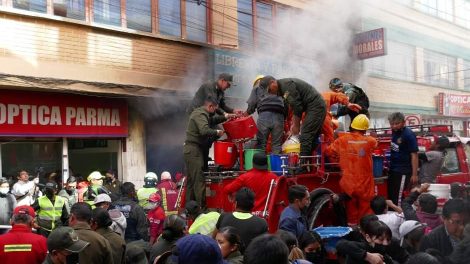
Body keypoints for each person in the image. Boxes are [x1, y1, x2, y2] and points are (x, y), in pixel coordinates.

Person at [260, 76, 326, 167]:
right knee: (312, 138)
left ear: (273, 82)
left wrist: (296, 125)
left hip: (315, 106)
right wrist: (289, 124)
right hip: (311, 107)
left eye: (269, 90)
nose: (270, 93)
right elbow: (290, 107)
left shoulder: (286, 86)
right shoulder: (281, 90)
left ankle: (302, 167)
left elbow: (297, 107)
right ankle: (308, 164)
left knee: (306, 135)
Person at [326, 114, 377, 225]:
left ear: (352, 126)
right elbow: (374, 145)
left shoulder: (341, 140)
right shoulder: (370, 141)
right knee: (366, 210)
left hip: (348, 183)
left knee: (351, 211)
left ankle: (352, 230)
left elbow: (329, 151)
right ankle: (366, 231)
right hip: (365, 183)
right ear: (365, 129)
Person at [187, 73, 237, 172]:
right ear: (222, 81)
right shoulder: (208, 86)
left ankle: (205, 149)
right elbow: (213, 105)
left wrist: (233, 111)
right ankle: (202, 154)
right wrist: (225, 115)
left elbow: (222, 105)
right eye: (228, 84)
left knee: (217, 132)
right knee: (207, 133)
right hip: (197, 114)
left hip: (207, 116)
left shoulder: (221, 92)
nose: (229, 87)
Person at [184, 96, 227, 207]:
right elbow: (204, 130)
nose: (215, 111)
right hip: (194, 150)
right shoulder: (200, 114)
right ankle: (201, 209)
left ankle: (190, 209)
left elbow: (212, 120)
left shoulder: (201, 113)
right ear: (210, 106)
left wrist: (225, 117)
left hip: (191, 150)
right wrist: (217, 132)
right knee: (199, 181)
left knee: (191, 182)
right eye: (215, 109)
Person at [223, 152, 278, 216]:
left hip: (248, 214)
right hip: (267, 214)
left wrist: (233, 194)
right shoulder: (274, 177)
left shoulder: (245, 177)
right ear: (267, 163)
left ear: (253, 163)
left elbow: (226, 189)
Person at [245, 74, 286, 153]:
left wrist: (246, 113)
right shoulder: (277, 86)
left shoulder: (256, 87)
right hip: (279, 116)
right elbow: (285, 102)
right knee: (276, 145)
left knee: (261, 144)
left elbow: (252, 104)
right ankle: (275, 165)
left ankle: (261, 165)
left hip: (264, 116)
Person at [387, 112, 418, 206]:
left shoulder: (409, 135)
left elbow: (414, 155)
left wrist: (414, 174)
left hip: (403, 171)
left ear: (403, 122)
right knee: (392, 196)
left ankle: (400, 218)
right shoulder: (394, 132)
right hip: (393, 170)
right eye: (392, 124)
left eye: (397, 123)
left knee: (399, 199)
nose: (394, 126)